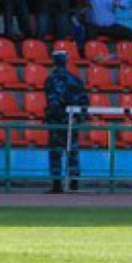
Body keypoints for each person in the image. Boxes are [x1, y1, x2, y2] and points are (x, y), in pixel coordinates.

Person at [44, 50, 86, 193]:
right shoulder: (75, 79)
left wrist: (52, 117)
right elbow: (84, 102)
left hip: (56, 122)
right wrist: (79, 119)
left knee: (56, 153)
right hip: (71, 121)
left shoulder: (51, 79)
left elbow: (52, 102)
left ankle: (57, 184)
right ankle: (74, 183)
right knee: (72, 151)